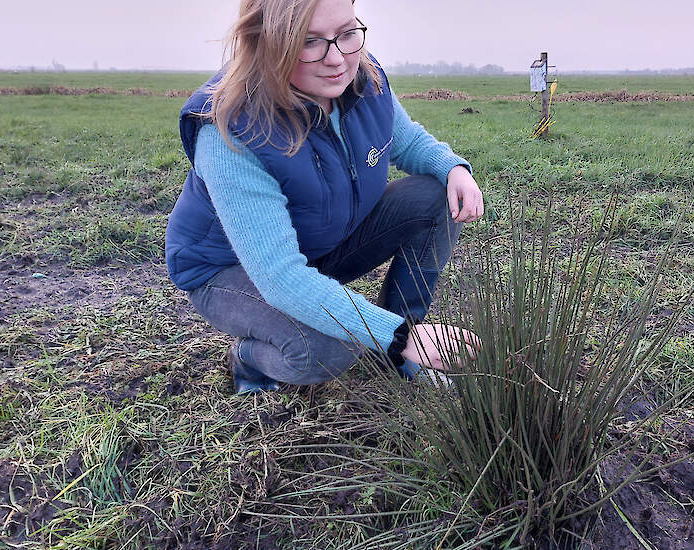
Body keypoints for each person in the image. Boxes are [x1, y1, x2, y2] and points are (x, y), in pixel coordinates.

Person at [165, 0, 483, 393]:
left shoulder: (363, 77)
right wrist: (400, 335)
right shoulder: (232, 131)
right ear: (267, 41)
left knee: (435, 196)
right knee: (325, 351)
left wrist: (451, 167)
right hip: (231, 269)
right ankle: (248, 359)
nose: (336, 59)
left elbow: (403, 139)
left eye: (348, 33)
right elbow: (280, 276)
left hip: (318, 244)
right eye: (309, 41)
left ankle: (398, 355)